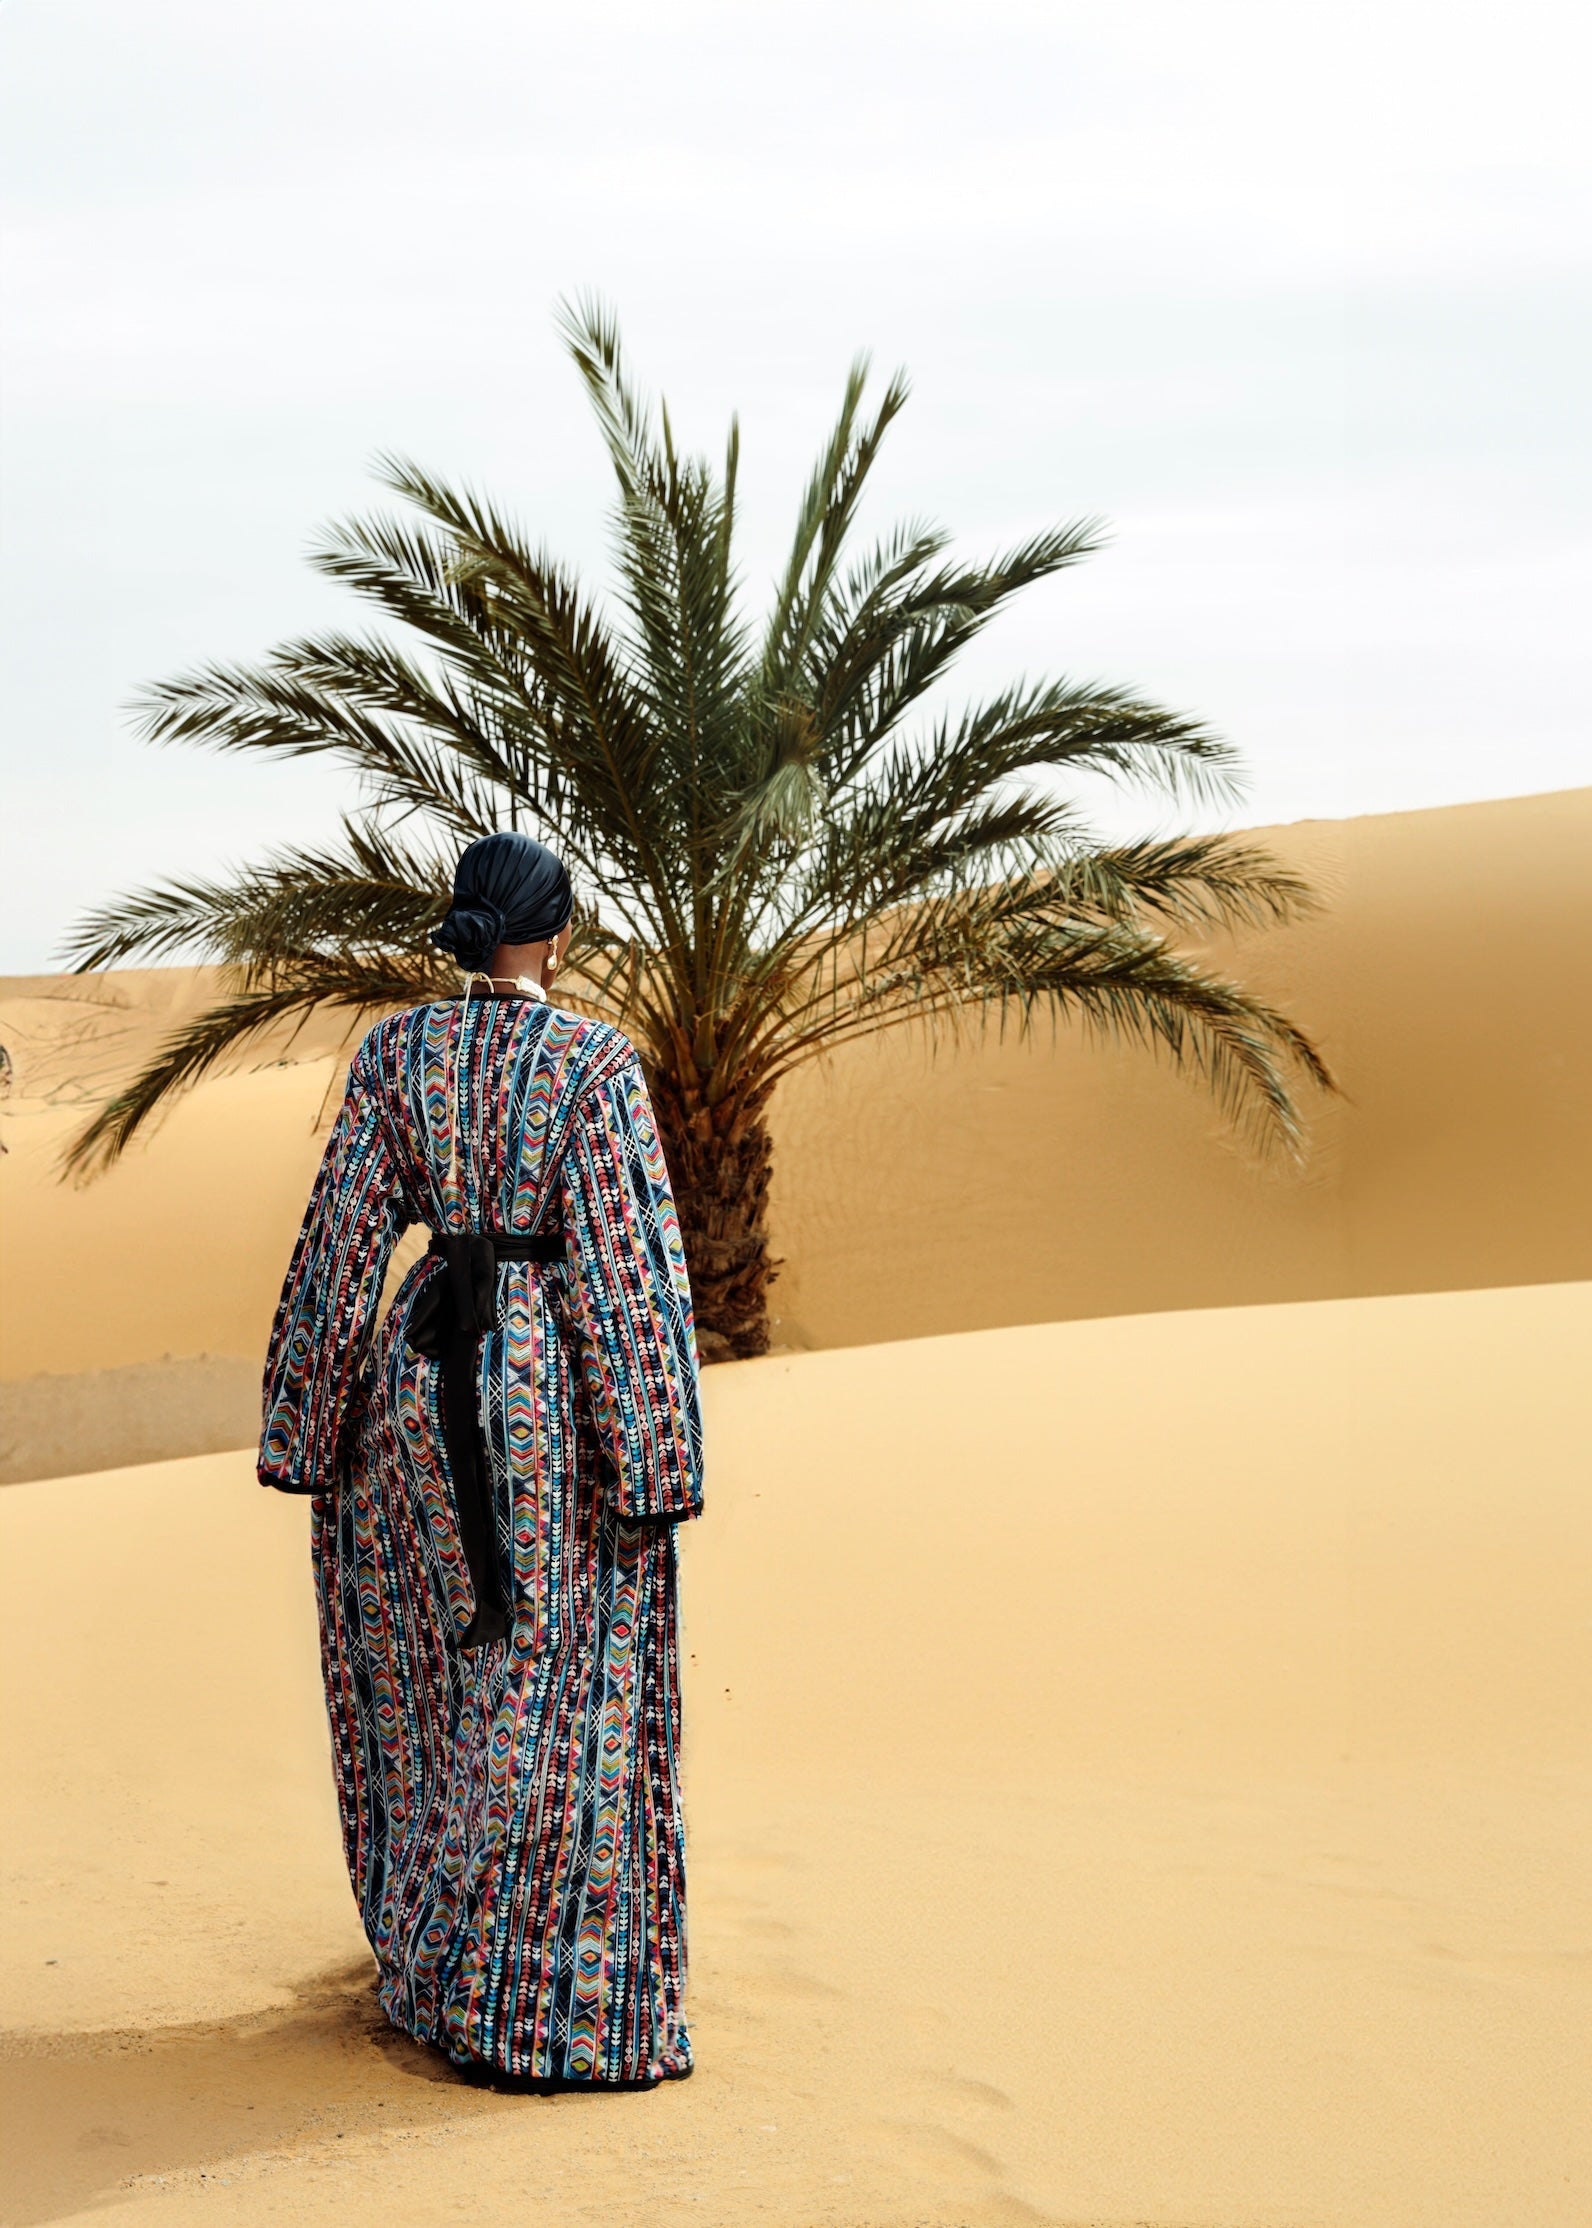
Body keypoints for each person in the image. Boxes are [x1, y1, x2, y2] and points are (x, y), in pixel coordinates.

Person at [259, 830, 704, 2089]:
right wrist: (656, 1453)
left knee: (435, 1671)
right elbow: (624, 1263)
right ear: (555, 932)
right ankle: (535, 2002)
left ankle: (432, 1957)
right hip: (545, 1397)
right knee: (558, 1683)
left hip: (415, 1384)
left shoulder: (395, 1051)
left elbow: (342, 1237)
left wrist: (306, 1424)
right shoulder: (592, 1060)